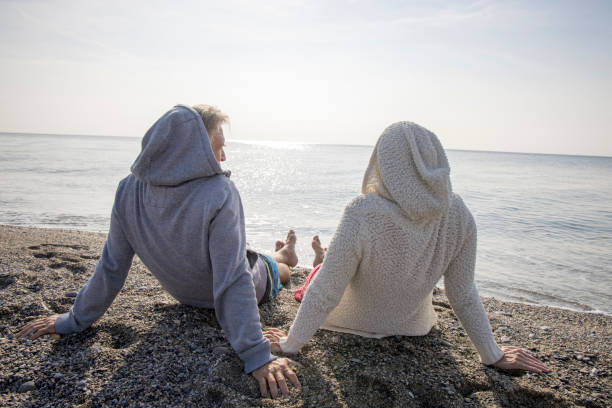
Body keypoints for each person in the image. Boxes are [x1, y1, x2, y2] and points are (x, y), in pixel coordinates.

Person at [17, 104, 301, 398]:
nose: (224, 157)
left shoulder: (128, 189)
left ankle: (279, 252)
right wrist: (256, 355)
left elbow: (111, 267)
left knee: (246, 256)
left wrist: (74, 320)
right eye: (217, 148)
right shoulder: (219, 192)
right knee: (275, 270)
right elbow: (232, 280)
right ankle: (285, 257)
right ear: (193, 151)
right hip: (240, 285)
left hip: (184, 294)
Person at [264, 121, 551, 374]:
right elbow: (462, 293)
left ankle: (315, 258)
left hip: (346, 321)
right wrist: (492, 354)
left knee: (321, 273)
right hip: (413, 328)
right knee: (329, 268)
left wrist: (291, 344)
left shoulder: (363, 212)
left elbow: (327, 289)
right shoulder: (459, 214)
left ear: (383, 161)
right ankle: (320, 257)